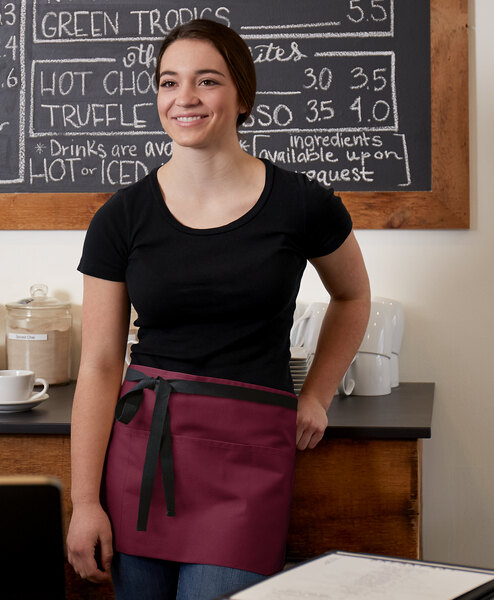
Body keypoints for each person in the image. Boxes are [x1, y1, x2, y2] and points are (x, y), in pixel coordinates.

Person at [67, 18, 370, 600]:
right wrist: (84, 502)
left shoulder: (304, 204)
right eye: (168, 82)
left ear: (242, 94)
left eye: (206, 81)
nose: (184, 98)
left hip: (249, 458)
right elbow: (101, 364)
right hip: (144, 455)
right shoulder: (120, 218)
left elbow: (354, 297)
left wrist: (318, 394)